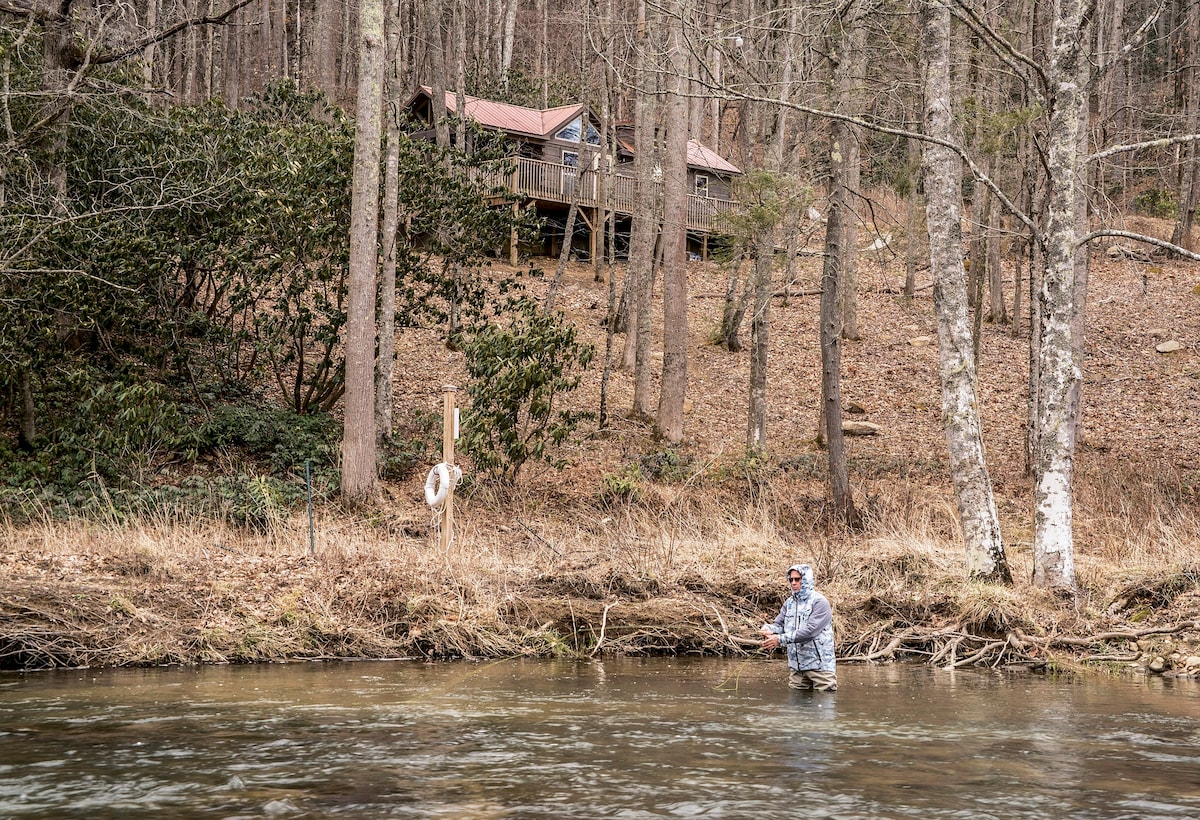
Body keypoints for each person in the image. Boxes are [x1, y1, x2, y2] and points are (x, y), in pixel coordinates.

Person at [761, 563, 837, 691]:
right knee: (796, 710)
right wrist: (769, 629)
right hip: (797, 670)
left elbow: (810, 632)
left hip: (820, 669)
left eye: (798, 579)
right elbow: (779, 625)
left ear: (806, 579)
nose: (793, 583)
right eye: (791, 580)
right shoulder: (789, 603)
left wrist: (779, 640)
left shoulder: (820, 602)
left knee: (824, 706)